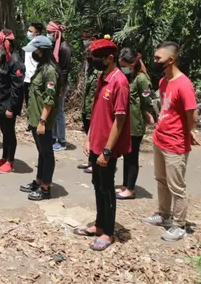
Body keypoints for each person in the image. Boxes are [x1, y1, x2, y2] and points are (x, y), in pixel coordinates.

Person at [74, 35, 131, 252]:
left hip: (107, 149)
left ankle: (108, 232)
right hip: (95, 144)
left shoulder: (119, 82)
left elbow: (119, 120)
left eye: (97, 57)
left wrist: (107, 151)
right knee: (98, 186)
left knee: (107, 189)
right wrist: (88, 138)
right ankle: (99, 225)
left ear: (109, 58)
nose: (93, 61)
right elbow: (97, 114)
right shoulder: (103, 78)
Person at [141, 41, 199, 242]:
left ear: (171, 60)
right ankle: (164, 214)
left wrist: (187, 132)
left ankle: (179, 224)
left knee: (176, 186)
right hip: (160, 138)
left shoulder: (184, 84)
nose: (155, 61)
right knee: (161, 180)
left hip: (175, 143)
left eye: (158, 58)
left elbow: (193, 117)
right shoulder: (164, 81)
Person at [19, 35, 59, 201]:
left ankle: (45, 188)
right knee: (41, 153)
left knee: (47, 154)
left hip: (43, 121)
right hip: (36, 119)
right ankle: (39, 180)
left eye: (34, 51)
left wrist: (42, 121)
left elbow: (50, 99)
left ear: (42, 51)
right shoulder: (41, 67)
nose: (32, 54)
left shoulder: (50, 71)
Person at [117, 47, 155, 200]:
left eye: (124, 65)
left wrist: (147, 115)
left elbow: (146, 101)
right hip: (127, 122)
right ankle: (126, 184)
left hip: (135, 122)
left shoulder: (142, 79)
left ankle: (131, 189)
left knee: (132, 157)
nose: (123, 68)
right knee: (127, 155)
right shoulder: (132, 76)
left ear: (132, 63)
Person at [0, 29, 25, 174]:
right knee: (4, 132)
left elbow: (17, 88)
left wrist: (11, 107)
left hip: (8, 104)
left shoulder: (16, 61)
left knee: (10, 133)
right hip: (0, 102)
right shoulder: (4, 58)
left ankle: (10, 161)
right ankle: (4, 157)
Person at [47, 21, 72, 151]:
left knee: (60, 112)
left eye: (50, 33)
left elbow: (65, 70)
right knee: (53, 110)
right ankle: (54, 137)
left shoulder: (64, 48)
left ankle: (62, 141)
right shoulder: (54, 46)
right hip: (54, 82)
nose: (48, 35)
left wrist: (61, 88)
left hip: (61, 84)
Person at [79, 32, 100, 173]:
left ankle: (94, 163)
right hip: (86, 108)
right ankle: (90, 161)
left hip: (94, 109)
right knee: (88, 134)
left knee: (94, 136)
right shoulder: (90, 70)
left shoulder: (99, 72)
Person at [23, 22, 44, 107]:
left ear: (37, 33)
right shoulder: (30, 44)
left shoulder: (40, 46)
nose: (28, 33)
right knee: (29, 105)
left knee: (35, 106)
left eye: (30, 31)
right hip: (27, 79)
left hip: (35, 80)